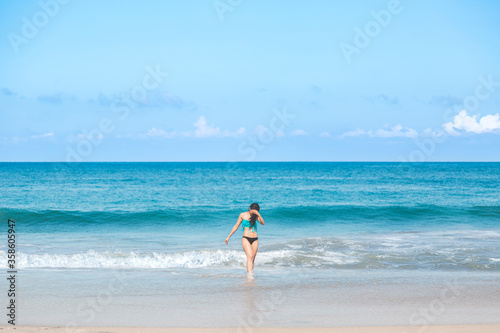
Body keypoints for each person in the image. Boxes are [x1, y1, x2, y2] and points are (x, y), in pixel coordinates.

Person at [225, 203, 265, 275]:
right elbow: (236, 226)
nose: (253, 212)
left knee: (252, 258)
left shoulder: (256, 216)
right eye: (253, 210)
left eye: (255, 211)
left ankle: (249, 273)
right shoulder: (242, 215)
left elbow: (262, 223)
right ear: (250, 208)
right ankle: (250, 275)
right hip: (246, 238)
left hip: (255, 239)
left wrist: (258, 214)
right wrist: (228, 236)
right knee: (249, 256)